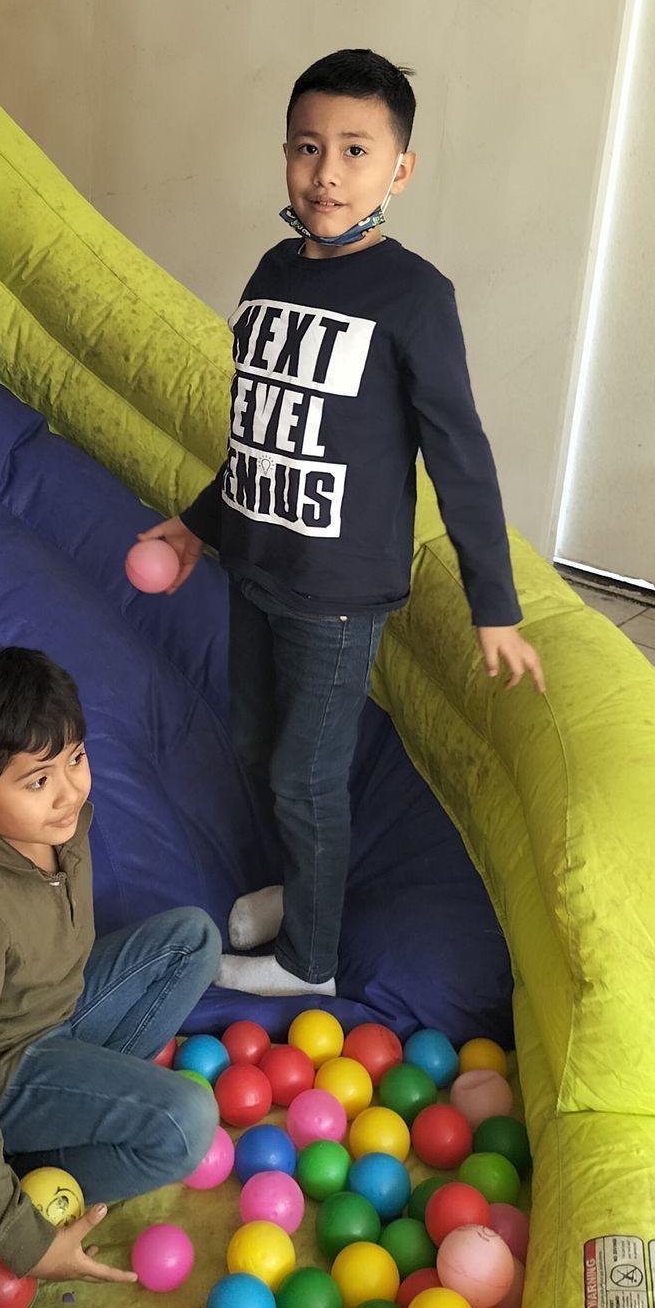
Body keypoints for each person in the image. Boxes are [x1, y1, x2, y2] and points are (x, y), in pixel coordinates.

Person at [138, 48, 544, 1000]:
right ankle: (303, 890)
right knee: (256, 746)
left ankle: (309, 962)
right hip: (254, 566)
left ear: (400, 170)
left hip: (336, 591)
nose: (327, 172)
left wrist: (494, 602)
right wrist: (196, 527)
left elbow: (460, 456)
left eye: (356, 150)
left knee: (304, 775)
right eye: (307, 147)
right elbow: (263, 437)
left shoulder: (415, 298)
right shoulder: (271, 271)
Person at [0, 646, 222, 1282]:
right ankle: (12, 1176)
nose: (69, 792)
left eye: (76, 758)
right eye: (38, 781)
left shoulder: (54, 825)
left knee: (195, 939)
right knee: (185, 1124)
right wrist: (23, 1240)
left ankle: (69, 1118)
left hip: (53, 1016)